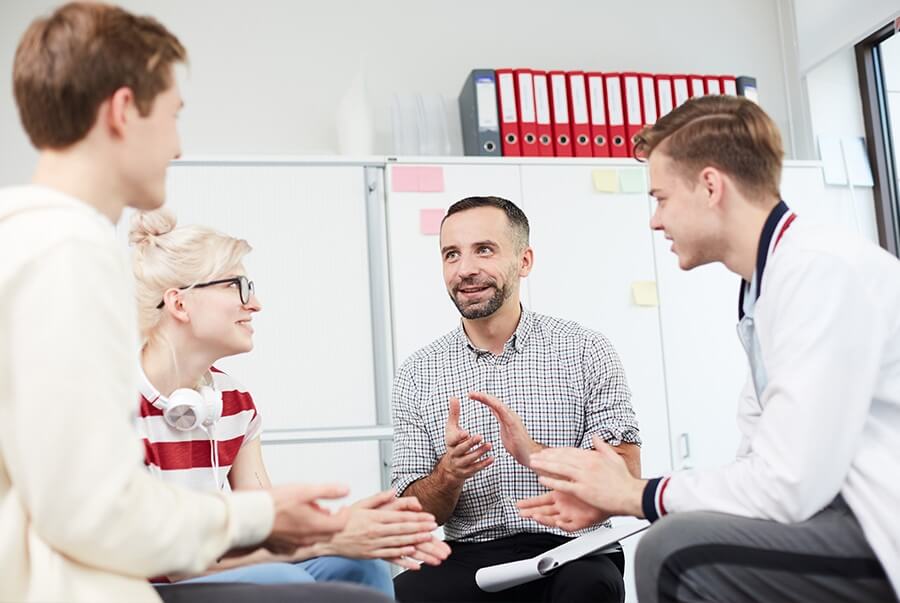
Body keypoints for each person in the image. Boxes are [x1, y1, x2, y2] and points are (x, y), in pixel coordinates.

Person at [0, 3, 389, 602]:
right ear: (125, 110)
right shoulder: (67, 255)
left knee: (355, 581)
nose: (178, 148)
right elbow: (91, 511)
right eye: (174, 117)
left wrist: (302, 529)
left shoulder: (27, 240)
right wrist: (264, 519)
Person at [518, 95, 899, 602]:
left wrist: (638, 494)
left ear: (711, 186)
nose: (655, 221)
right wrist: (623, 497)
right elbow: (755, 469)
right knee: (683, 536)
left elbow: (785, 485)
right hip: (840, 514)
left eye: (661, 198)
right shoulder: (766, 289)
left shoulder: (819, 271)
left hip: (878, 525)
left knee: (674, 552)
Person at [130, 208, 450, 594]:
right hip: (142, 588)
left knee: (360, 567)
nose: (256, 304)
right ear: (180, 304)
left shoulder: (232, 402)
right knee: (284, 580)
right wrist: (330, 538)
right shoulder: (111, 402)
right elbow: (174, 560)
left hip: (204, 573)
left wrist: (343, 524)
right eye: (239, 286)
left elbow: (268, 526)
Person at [390, 196, 642, 603]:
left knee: (588, 587)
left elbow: (626, 477)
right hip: (470, 553)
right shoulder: (418, 373)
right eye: (451, 254)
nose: (465, 269)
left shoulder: (585, 350)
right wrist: (449, 474)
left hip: (573, 551)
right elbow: (413, 514)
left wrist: (535, 454)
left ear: (524, 261)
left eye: (484, 250)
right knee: (397, 594)